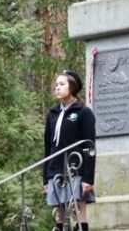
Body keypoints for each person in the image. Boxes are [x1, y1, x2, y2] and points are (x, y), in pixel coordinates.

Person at [43, 70, 96, 231]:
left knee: (77, 213)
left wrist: (88, 178)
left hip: (76, 169)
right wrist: (45, 177)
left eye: (62, 84)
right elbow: (48, 147)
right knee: (59, 215)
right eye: (56, 85)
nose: (57, 88)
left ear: (72, 87)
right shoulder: (52, 113)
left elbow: (90, 146)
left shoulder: (83, 112)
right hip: (55, 170)